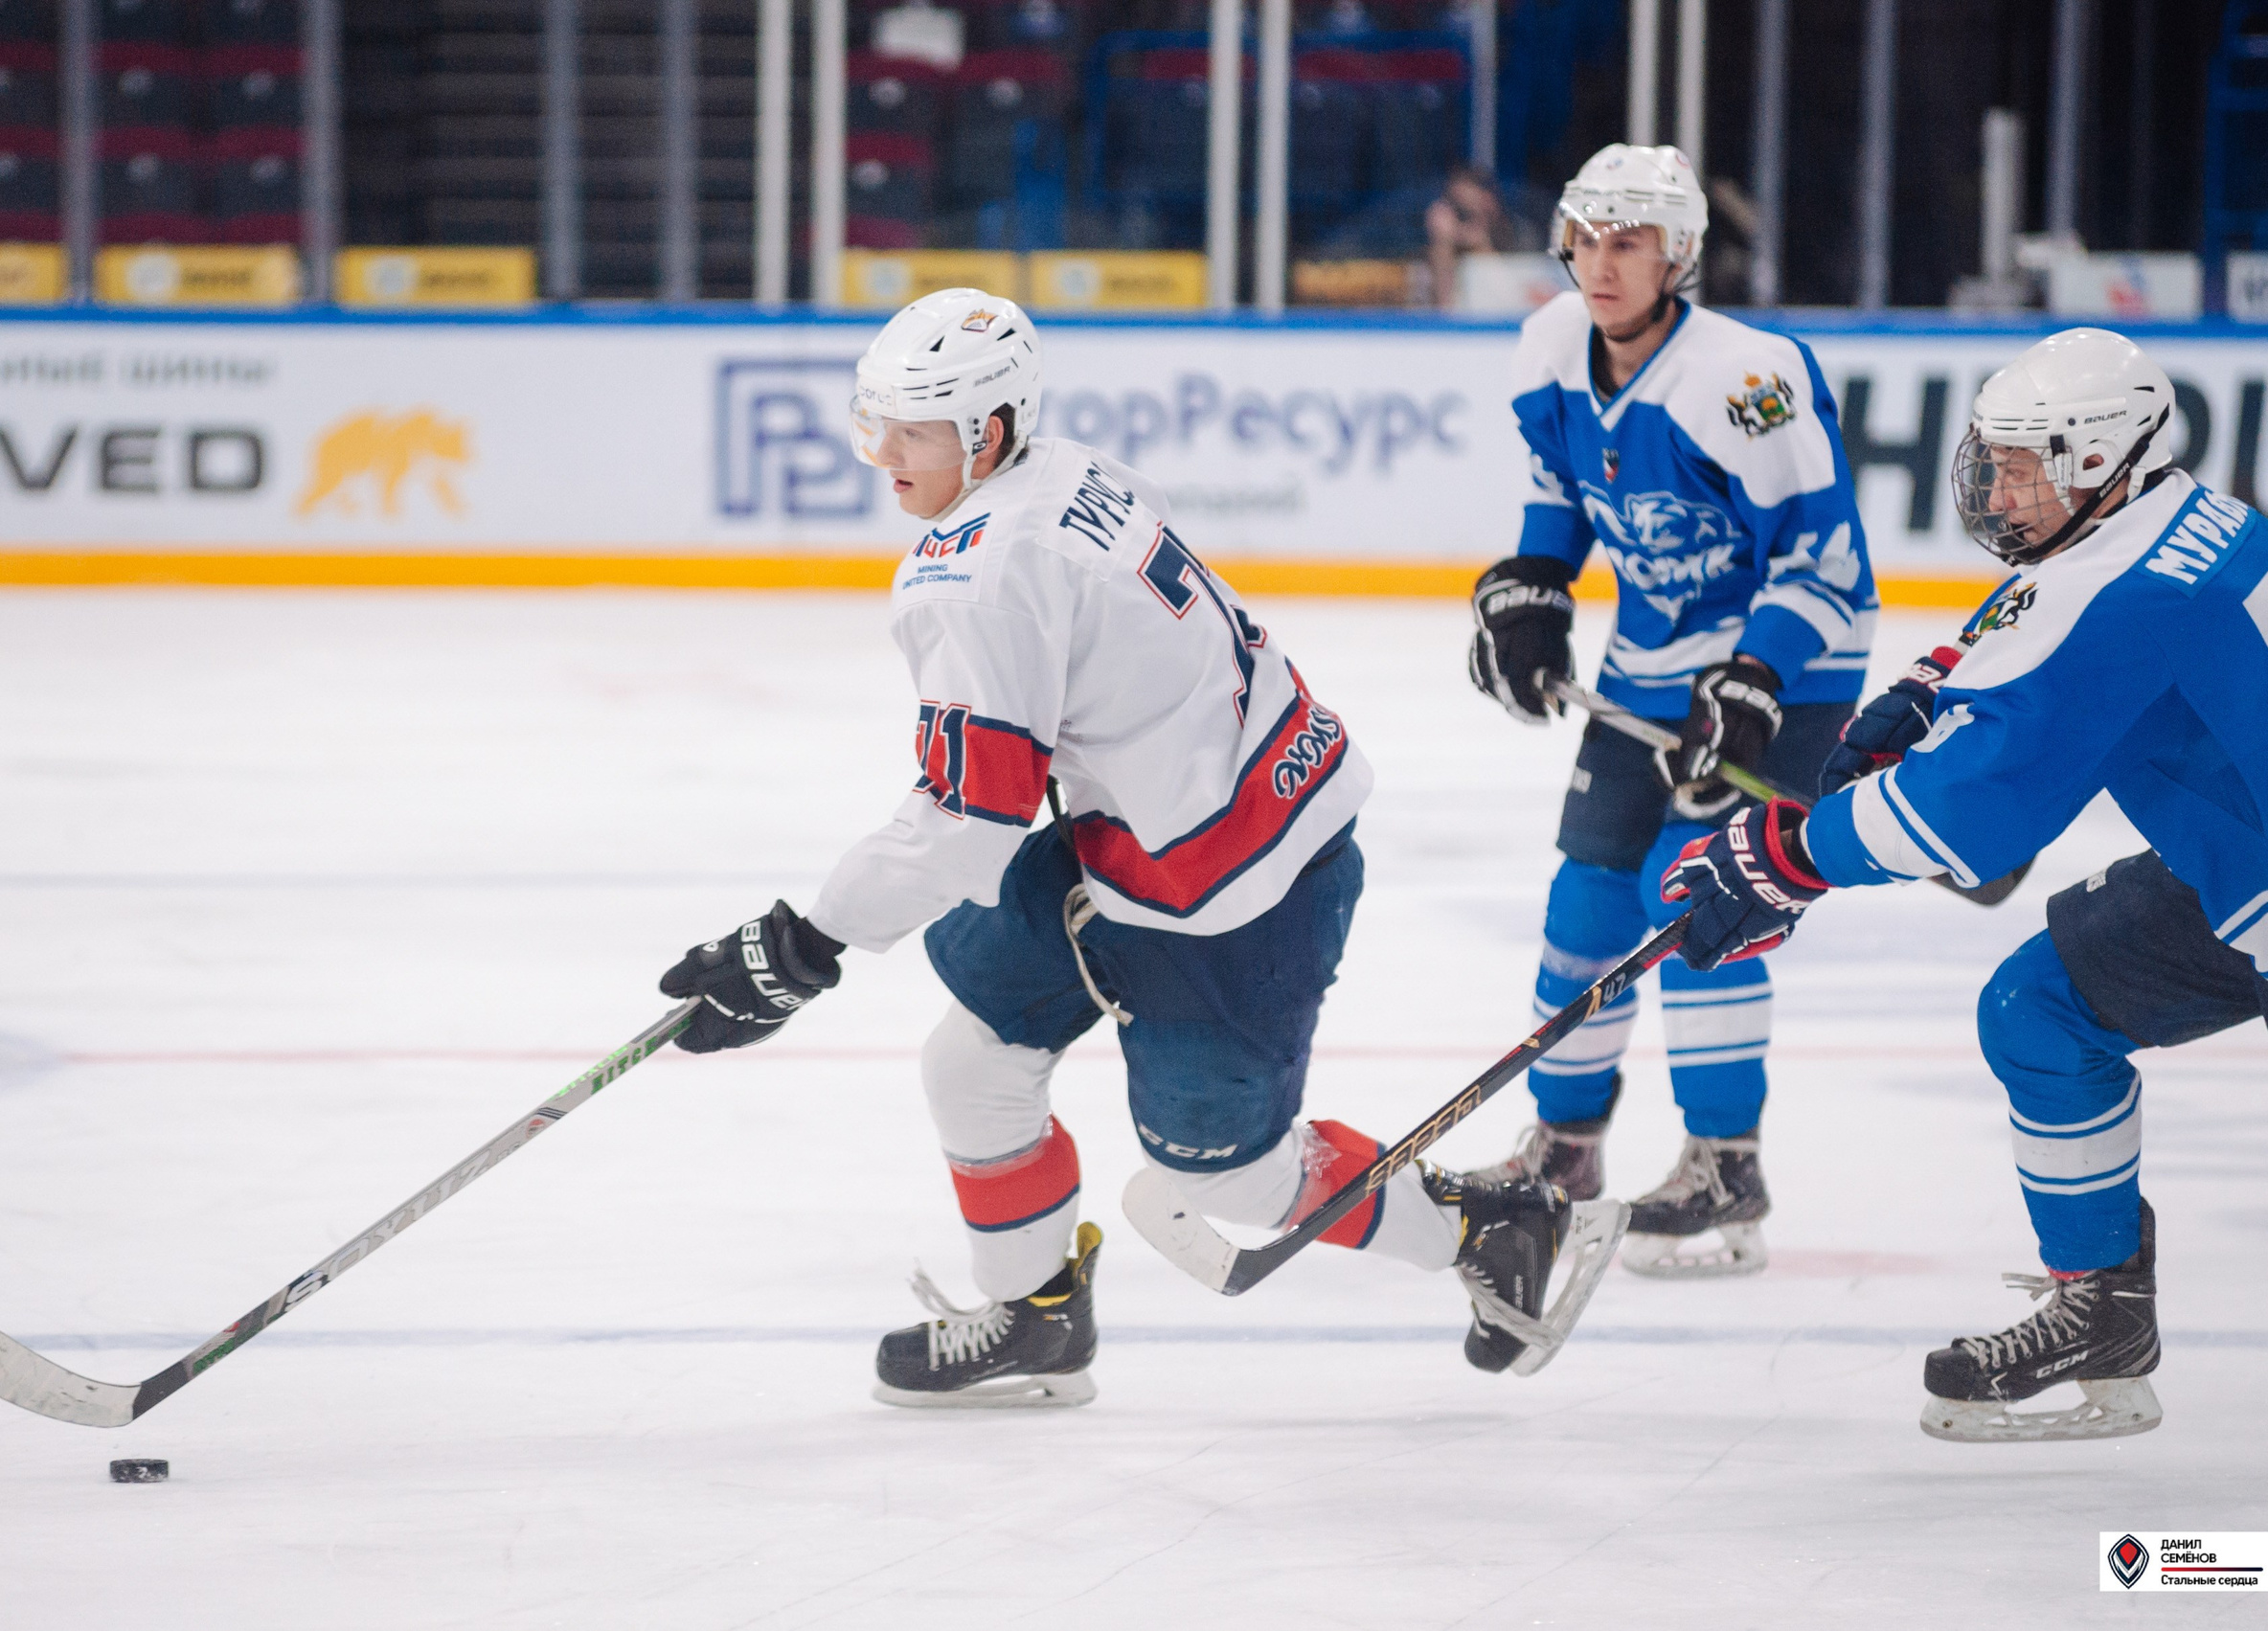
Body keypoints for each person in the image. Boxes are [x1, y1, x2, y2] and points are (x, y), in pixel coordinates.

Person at [654, 287, 1610, 1408]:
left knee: (1234, 1178)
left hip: (1235, 887)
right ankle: (1038, 1315)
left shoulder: (976, 575)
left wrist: (801, 944)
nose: (885, 455)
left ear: (987, 433)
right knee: (972, 1062)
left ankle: (1484, 1224)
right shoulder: (1070, 470)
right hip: (1171, 829)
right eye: (880, 422)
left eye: (914, 431)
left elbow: (971, 818)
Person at [1661, 327, 2264, 1442]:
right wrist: (1940, 681)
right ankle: (2101, 1309)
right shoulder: (2178, 516)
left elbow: (1964, 813)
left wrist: (1784, 858)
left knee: (2040, 1003)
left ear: (2097, 460)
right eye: (1993, 459)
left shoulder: (2121, 594)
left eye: (2022, 466)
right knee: (2040, 1008)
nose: (1995, 488)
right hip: (2242, 876)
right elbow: (2054, 628)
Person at [1459, 143, 1877, 1278]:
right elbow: (1561, 485)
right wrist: (1537, 582)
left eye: (1630, 242)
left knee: (1695, 897)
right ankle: (1564, 1148)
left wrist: (1755, 679)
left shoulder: (1746, 380)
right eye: (1587, 239)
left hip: (1793, 666)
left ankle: (1724, 1165)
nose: (1601, 264)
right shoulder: (1551, 345)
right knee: (1585, 901)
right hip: (1650, 660)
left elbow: (1826, 559)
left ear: (1679, 253)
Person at [1426, 166, 1523, 310]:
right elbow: (1444, 309)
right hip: (1461, 307)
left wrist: (1480, 244)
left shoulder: (1518, 231)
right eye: (1458, 206)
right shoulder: (1443, 243)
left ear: (1488, 198)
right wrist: (1446, 239)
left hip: (1504, 303)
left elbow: (1513, 298)